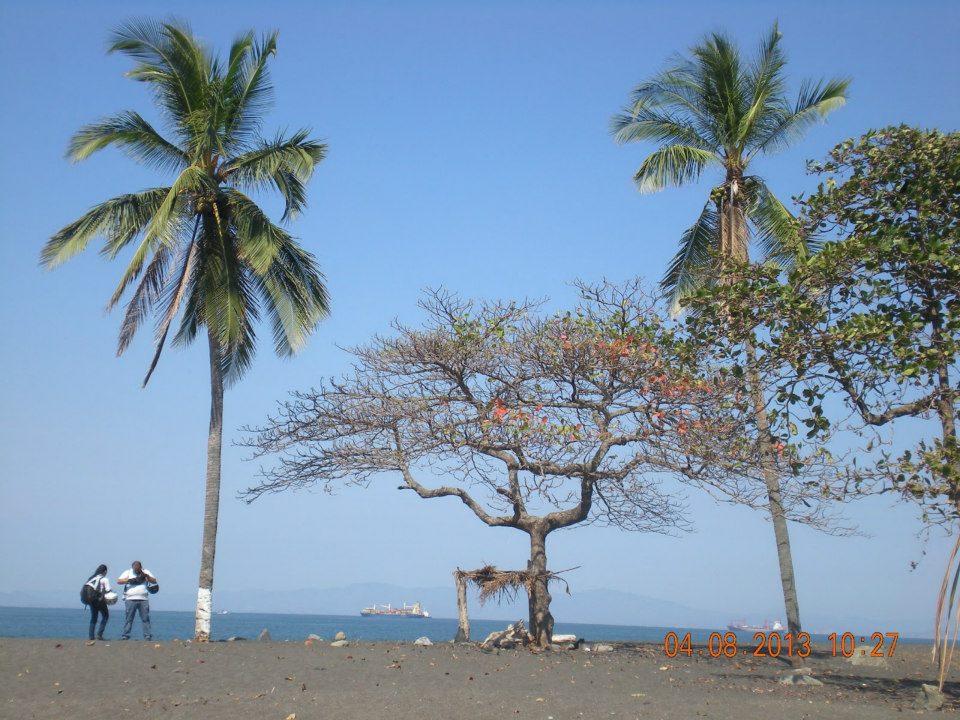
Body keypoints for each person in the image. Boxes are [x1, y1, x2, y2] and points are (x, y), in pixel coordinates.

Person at [117, 561, 157, 640]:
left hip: (143, 599)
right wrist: (129, 580)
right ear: (132, 567)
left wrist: (147, 577)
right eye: (135, 568)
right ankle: (126, 634)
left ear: (140, 567)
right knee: (129, 618)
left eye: (137, 568)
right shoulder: (128, 572)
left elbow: (154, 580)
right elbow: (119, 581)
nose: (136, 569)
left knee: (145, 618)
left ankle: (147, 635)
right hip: (130, 598)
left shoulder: (146, 572)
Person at [84, 564, 111, 641]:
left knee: (94, 617)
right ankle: (99, 634)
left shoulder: (92, 578)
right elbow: (108, 590)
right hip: (99, 599)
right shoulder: (104, 579)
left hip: (91, 600)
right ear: (105, 571)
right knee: (105, 615)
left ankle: (91, 636)